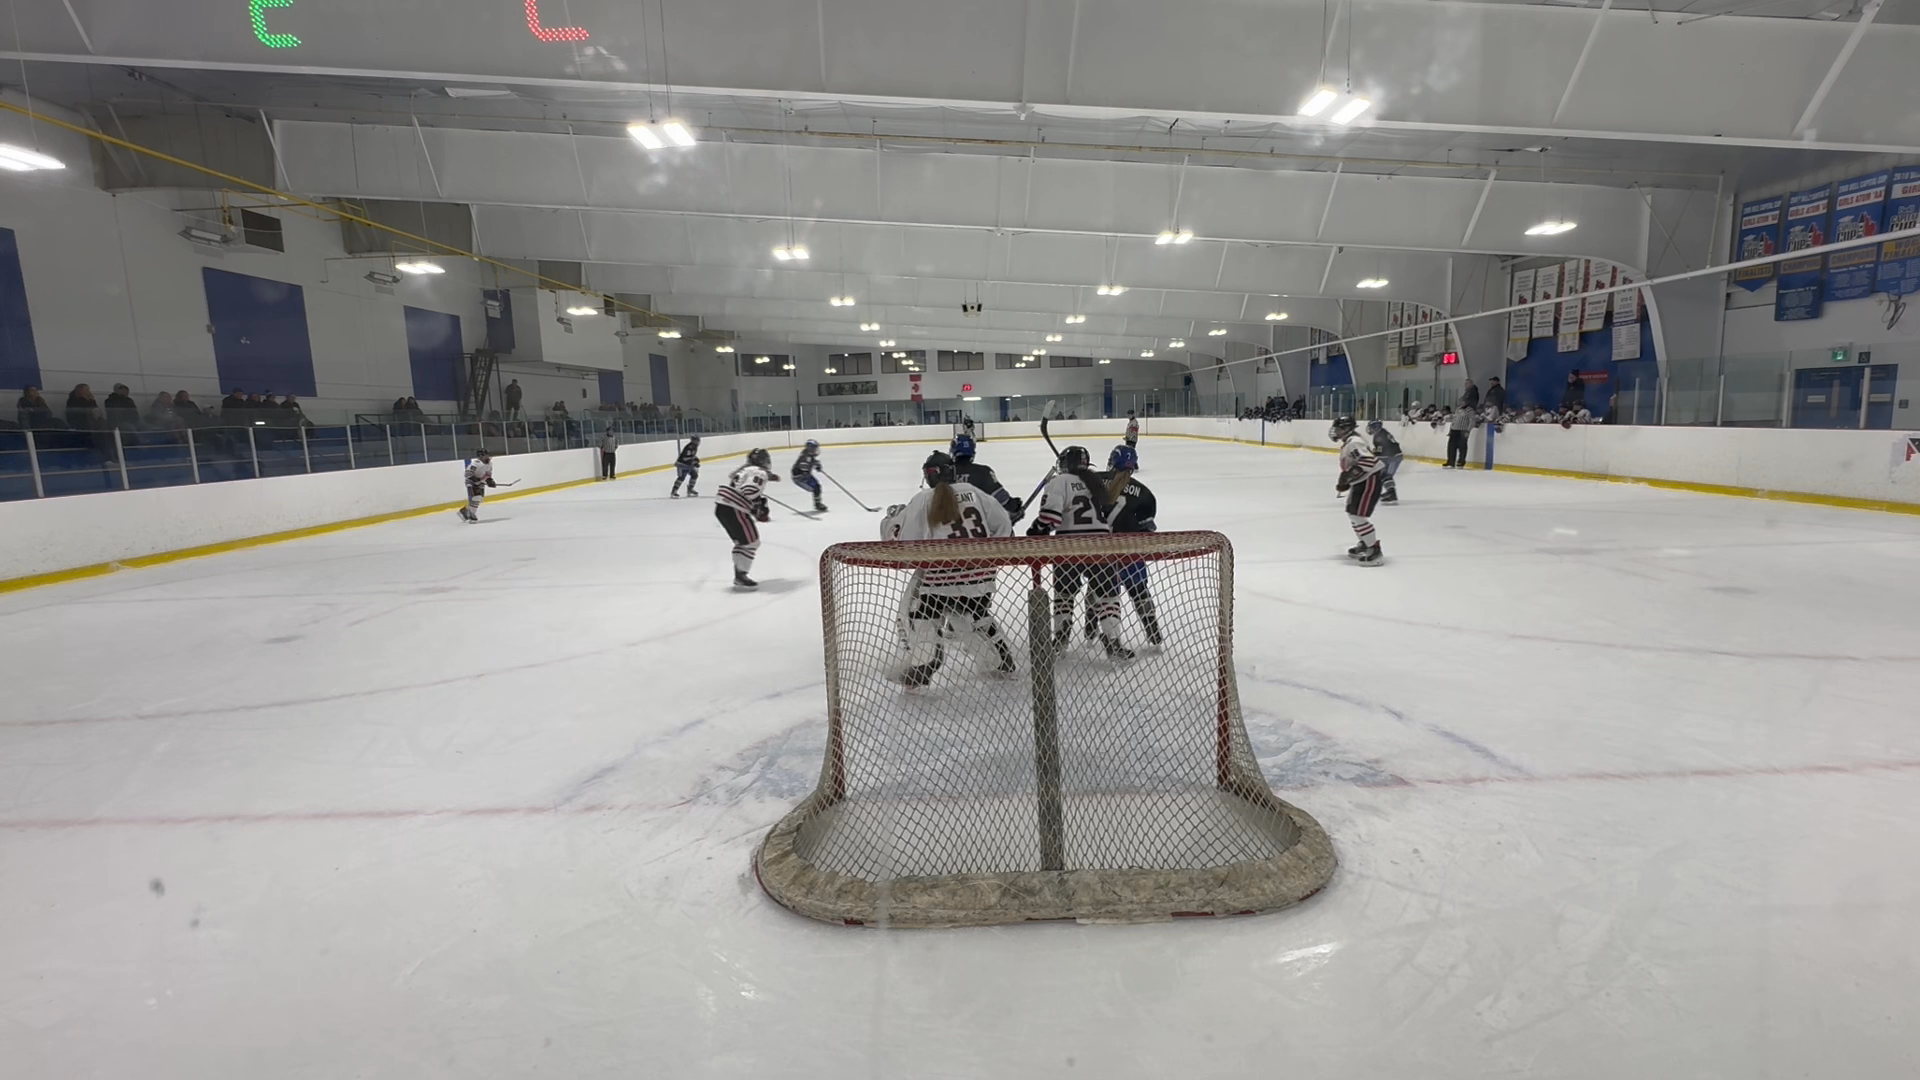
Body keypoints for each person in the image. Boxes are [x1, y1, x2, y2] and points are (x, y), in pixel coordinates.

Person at [887, 451, 1018, 686]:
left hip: (940, 578)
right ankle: (999, 661)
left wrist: (894, 518)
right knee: (970, 614)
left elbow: (906, 543)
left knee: (917, 611)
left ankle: (925, 660)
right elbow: (1005, 528)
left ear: (928, 477)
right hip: (981, 576)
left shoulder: (923, 499)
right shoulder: (975, 493)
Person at [1028, 445, 1131, 660]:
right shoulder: (1095, 481)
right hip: (1101, 546)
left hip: (1069, 546)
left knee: (1064, 593)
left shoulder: (1058, 482)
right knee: (1108, 595)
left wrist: (1037, 530)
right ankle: (1113, 641)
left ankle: (1061, 636)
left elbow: (1051, 517)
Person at [1099, 444, 1162, 647]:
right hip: (1131, 552)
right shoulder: (1145, 494)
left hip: (1101, 552)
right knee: (1140, 591)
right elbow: (1147, 527)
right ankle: (1153, 632)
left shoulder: (1095, 482)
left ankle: (1092, 631)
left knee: (1101, 592)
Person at [716, 448, 778, 590]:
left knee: (743, 542)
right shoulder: (758, 471)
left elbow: (741, 484)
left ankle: (740, 574)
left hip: (722, 507)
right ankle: (740, 575)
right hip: (734, 508)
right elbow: (749, 490)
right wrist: (758, 505)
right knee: (752, 542)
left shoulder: (744, 470)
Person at [1331, 415, 1385, 567]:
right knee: (1352, 513)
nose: (1336, 431)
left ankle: (1374, 550)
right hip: (1361, 481)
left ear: (1347, 428)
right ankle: (1365, 542)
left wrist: (1348, 476)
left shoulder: (1355, 443)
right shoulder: (1350, 442)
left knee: (1357, 516)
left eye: (1339, 428)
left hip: (1368, 481)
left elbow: (1368, 461)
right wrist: (1347, 478)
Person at [949, 433, 1022, 521]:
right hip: (980, 528)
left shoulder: (944, 473)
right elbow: (1003, 500)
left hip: (949, 529)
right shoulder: (983, 472)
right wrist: (1014, 506)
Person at [1367, 419, 1403, 504]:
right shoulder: (1381, 433)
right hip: (1391, 457)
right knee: (1384, 475)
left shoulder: (1380, 436)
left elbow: (1384, 451)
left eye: (1371, 427)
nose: (1370, 429)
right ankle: (1390, 492)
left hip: (1393, 457)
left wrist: (1374, 454)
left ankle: (1392, 494)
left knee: (1386, 475)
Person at [459, 449, 497, 524]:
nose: (488, 456)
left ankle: (465, 510)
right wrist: (476, 480)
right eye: (486, 455)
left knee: (479, 498)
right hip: (471, 482)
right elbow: (468, 474)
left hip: (480, 482)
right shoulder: (475, 464)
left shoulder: (489, 464)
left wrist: (489, 481)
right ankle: (472, 514)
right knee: (477, 497)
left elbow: (488, 474)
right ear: (481, 456)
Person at [790, 439, 827, 512]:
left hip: (804, 476)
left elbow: (812, 462)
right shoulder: (805, 457)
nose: (816, 450)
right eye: (814, 448)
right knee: (816, 488)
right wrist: (813, 466)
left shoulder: (808, 455)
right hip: (800, 478)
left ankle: (817, 503)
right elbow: (804, 467)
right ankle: (817, 504)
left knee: (817, 487)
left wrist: (816, 465)